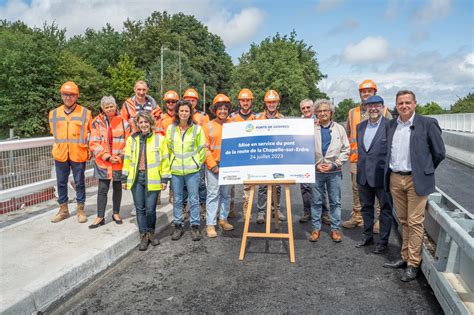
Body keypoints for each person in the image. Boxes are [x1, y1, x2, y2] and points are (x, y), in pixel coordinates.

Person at [383, 90, 445, 282]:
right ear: (396, 105)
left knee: (415, 221)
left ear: (415, 104)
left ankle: (413, 263)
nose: (404, 106)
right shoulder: (392, 125)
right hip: (395, 178)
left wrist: (424, 170)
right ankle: (404, 257)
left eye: (408, 102)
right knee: (403, 220)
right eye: (400, 103)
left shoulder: (427, 123)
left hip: (415, 179)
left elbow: (439, 153)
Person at [343, 80, 392, 232]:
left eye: (369, 91)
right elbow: (348, 133)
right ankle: (357, 217)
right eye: (363, 91)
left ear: (375, 93)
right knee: (357, 190)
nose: (366, 94)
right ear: (360, 94)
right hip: (357, 160)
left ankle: (378, 220)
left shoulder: (385, 111)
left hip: (378, 161)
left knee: (378, 189)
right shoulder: (352, 112)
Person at [122, 111, 170, 251]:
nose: (143, 125)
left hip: (153, 179)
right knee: (140, 208)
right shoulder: (132, 139)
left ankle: (151, 233)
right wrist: (124, 178)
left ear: (151, 123)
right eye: (141, 122)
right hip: (136, 178)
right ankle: (143, 236)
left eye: (146, 122)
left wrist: (164, 179)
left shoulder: (159, 139)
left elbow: (165, 160)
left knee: (150, 209)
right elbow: (127, 160)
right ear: (137, 124)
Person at [353, 96, 393, 254]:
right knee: (366, 208)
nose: (373, 109)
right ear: (366, 108)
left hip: (382, 176)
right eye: (370, 106)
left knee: (385, 209)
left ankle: (383, 241)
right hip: (363, 175)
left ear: (383, 107)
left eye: (377, 105)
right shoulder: (360, 127)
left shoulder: (390, 126)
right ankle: (367, 236)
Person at [49, 81, 92, 223]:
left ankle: (80, 210)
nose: (68, 97)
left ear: (77, 96)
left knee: (80, 182)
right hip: (61, 153)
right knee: (61, 182)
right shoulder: (53, 114)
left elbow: (92, 134)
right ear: (61, 95)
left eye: (72, 95)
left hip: (78, 153)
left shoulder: (86, 113)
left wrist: (90, 148)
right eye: (65, 94)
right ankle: (63, 210)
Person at [309, 99, 349, 243]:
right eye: (319, 111)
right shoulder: (310, 129)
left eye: (325, 110)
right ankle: (315, 228)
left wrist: (335, 164)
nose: (323, 113)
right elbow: (305, 150)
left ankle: (335, 229)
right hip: (317, 171)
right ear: (316, 114)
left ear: (331, 112)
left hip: (334, 171)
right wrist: (315, 165)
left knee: (335, 202)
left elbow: (346, 149)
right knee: (316, 201)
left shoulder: (339, 129)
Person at [121, 80, 162, 216]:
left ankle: (152, 201)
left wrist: (159, 140)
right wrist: (126, 143)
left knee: (151, 169)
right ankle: (138, 205)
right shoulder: (127, 105)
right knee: (136, 172)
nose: (141, 92)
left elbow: (159, 123)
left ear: (147, 90)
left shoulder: (153, 104)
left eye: (144, 90)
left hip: (150, 141)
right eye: (139, 89)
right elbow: (123, 125)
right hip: (134, 141)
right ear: (134, 89)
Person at [167, 100, 206, 241]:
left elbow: (201, 149)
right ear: (177, 112)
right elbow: (168, 149)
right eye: (181, 110)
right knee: (177, 200)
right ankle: (178, 226)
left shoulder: (197, 129)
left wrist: (196, 163)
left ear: (190, 113)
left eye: (186, 111)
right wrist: (170, 165)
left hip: (192, 171)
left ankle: (195, 226)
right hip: (176, 171)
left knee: (194, 199)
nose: (184, 113)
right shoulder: (171, 129)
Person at [89, 96, 131, 228]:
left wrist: (120, 156)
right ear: (102, 108)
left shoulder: (124, 122)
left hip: (118, 161)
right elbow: (94, 143)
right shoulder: (96, 122)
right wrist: (107, 156)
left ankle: (116, 213)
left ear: (115, 106)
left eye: (111, 106)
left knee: (117, 188)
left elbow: (128, 142)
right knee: (102, 189)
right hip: (103, 162)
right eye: (106, 107)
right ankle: (100, 216)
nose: (109, 109)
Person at [203, 94, 234, 238]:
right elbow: (205, 148)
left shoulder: (233, 125)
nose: (223, 111)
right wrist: (212, 165)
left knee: (226, 194)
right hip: (213, 165)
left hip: (229, 165)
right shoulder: (208, 126)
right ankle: (210, 224)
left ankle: (223, 219)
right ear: (215, 110)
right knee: (213, 194)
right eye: (220, 108)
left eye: (225, 108)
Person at [228, 88, 260, 219]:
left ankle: (246, 210)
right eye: (243, 100)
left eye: (247, 100)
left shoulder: (258, 117)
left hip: (250, 156)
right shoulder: (232, 118)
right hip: (235, 155)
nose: (245, 103)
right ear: (239, 101)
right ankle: (230, 208)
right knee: (230, 185)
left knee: (248, 185)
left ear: (251, 101)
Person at [255, 90, 286, 224]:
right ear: (265, 103)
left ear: (277, 103)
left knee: (277, 185)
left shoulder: (283, 119)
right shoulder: (258, 118)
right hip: (262, 157)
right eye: (269, 102)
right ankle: (261, 211)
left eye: (273, 102)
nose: (271, 104)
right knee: (262, 185)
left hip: (277, 157)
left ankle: (275, 209)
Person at [298, 99, 330, 225]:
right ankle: (307, 212)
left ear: (313, 108)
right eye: (303, 108)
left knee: (320, 187)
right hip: (303, 158)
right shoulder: (298, 124)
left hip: (317, 158)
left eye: (308, 107)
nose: (306, 110)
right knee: (305, 187)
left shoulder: (319, 122)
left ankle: (324, 213)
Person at [183, 88, 208, 219]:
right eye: (188, 100)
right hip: (184, 156)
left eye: (192, 100)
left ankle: (203, 207)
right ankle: (183, 208)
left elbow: (205, 137)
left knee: (201, 183)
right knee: (184, 185)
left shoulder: (203, 116)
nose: (190, 102)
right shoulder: (181, 114)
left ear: (196, 101)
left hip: (198, 156)